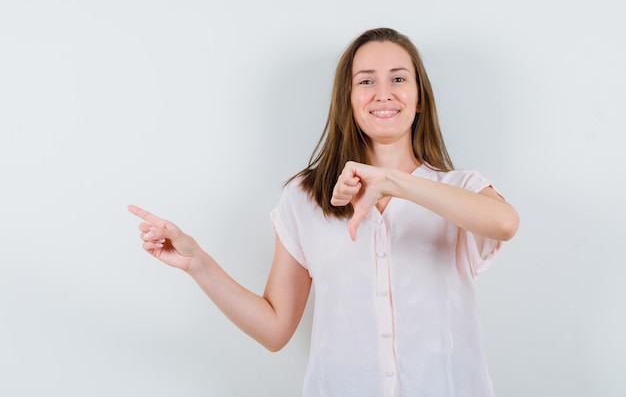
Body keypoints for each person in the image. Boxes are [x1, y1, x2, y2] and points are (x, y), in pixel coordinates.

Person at [128, 27, 519, 397]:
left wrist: (393, 182)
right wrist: (198, 262)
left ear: (420, 99)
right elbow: (275, 328)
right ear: (347, 99)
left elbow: (504, 223)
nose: (383, 93)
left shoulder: (460, 188)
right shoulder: (304, 198)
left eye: (399, 79)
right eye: (366, 80)